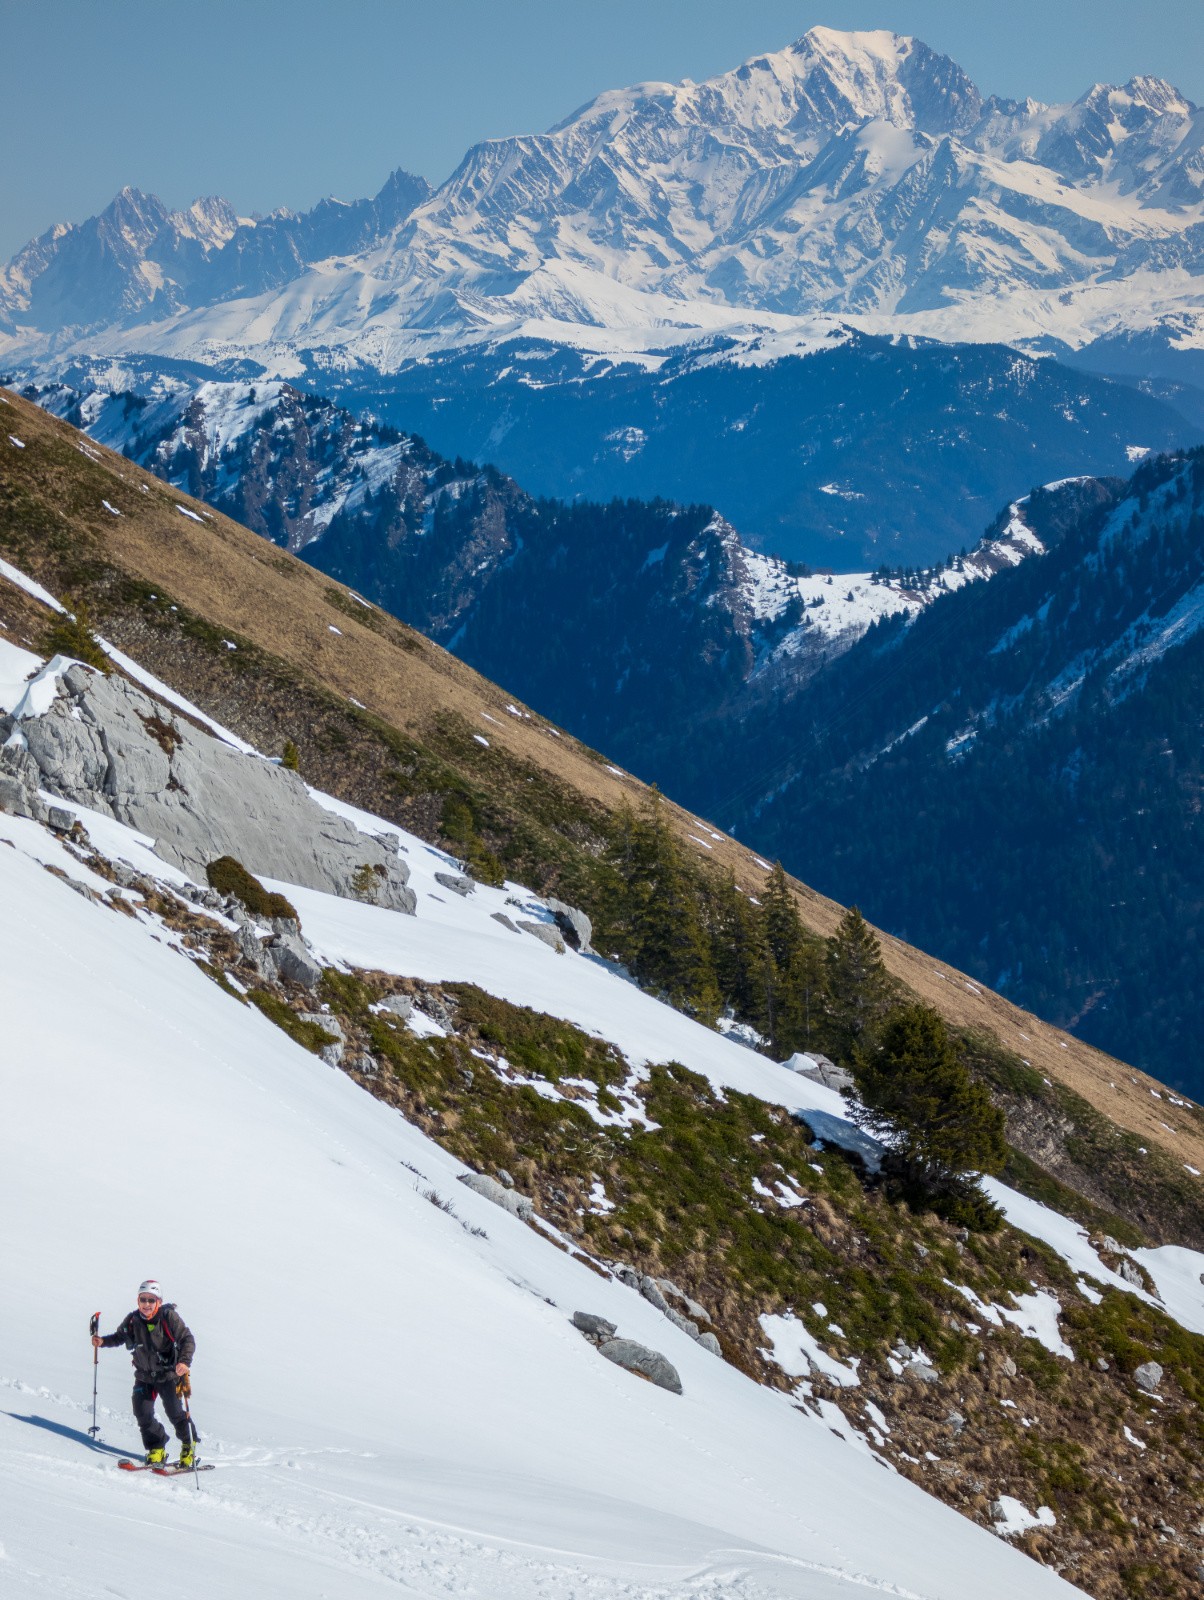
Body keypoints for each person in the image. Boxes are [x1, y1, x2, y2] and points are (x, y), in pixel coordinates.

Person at [93, 1280, 196, 1466]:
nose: (146, 1304)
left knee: (175, 1412)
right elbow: (120, 1337)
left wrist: (184, 1362)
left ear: (159, 1302)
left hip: (169, 1375)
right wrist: (103, 1342)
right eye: (143, 1299)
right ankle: (156, 1447)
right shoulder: (133, 1320)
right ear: (138, 1300)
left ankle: (189, 1445)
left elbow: (187, 1339)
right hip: (144, 1375)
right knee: (142, 1412)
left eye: (151, 1300)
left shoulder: (169, 1317)